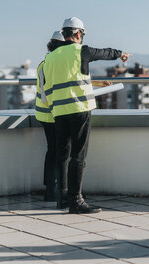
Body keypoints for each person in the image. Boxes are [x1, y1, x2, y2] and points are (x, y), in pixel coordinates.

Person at [43, 17, 131, 214]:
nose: (82, 37)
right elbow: (105, 53)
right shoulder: (81, 51)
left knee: (63, 155)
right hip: (79, 109)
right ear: (77, 34)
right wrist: (121, 54)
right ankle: (76, 200)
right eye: (82, 34)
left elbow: (46, 86)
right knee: (78, 156)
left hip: (59, 111)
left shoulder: (50, 57)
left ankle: (63, 198)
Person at [35, 30, 65, 201]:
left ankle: (51, 189)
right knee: (57, 152)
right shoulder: (51, 64)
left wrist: (97, 82)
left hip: (45, 114)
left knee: (53, 151)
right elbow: (49, 94)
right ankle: (53, 190)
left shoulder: (45, 63)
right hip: (52, 114)